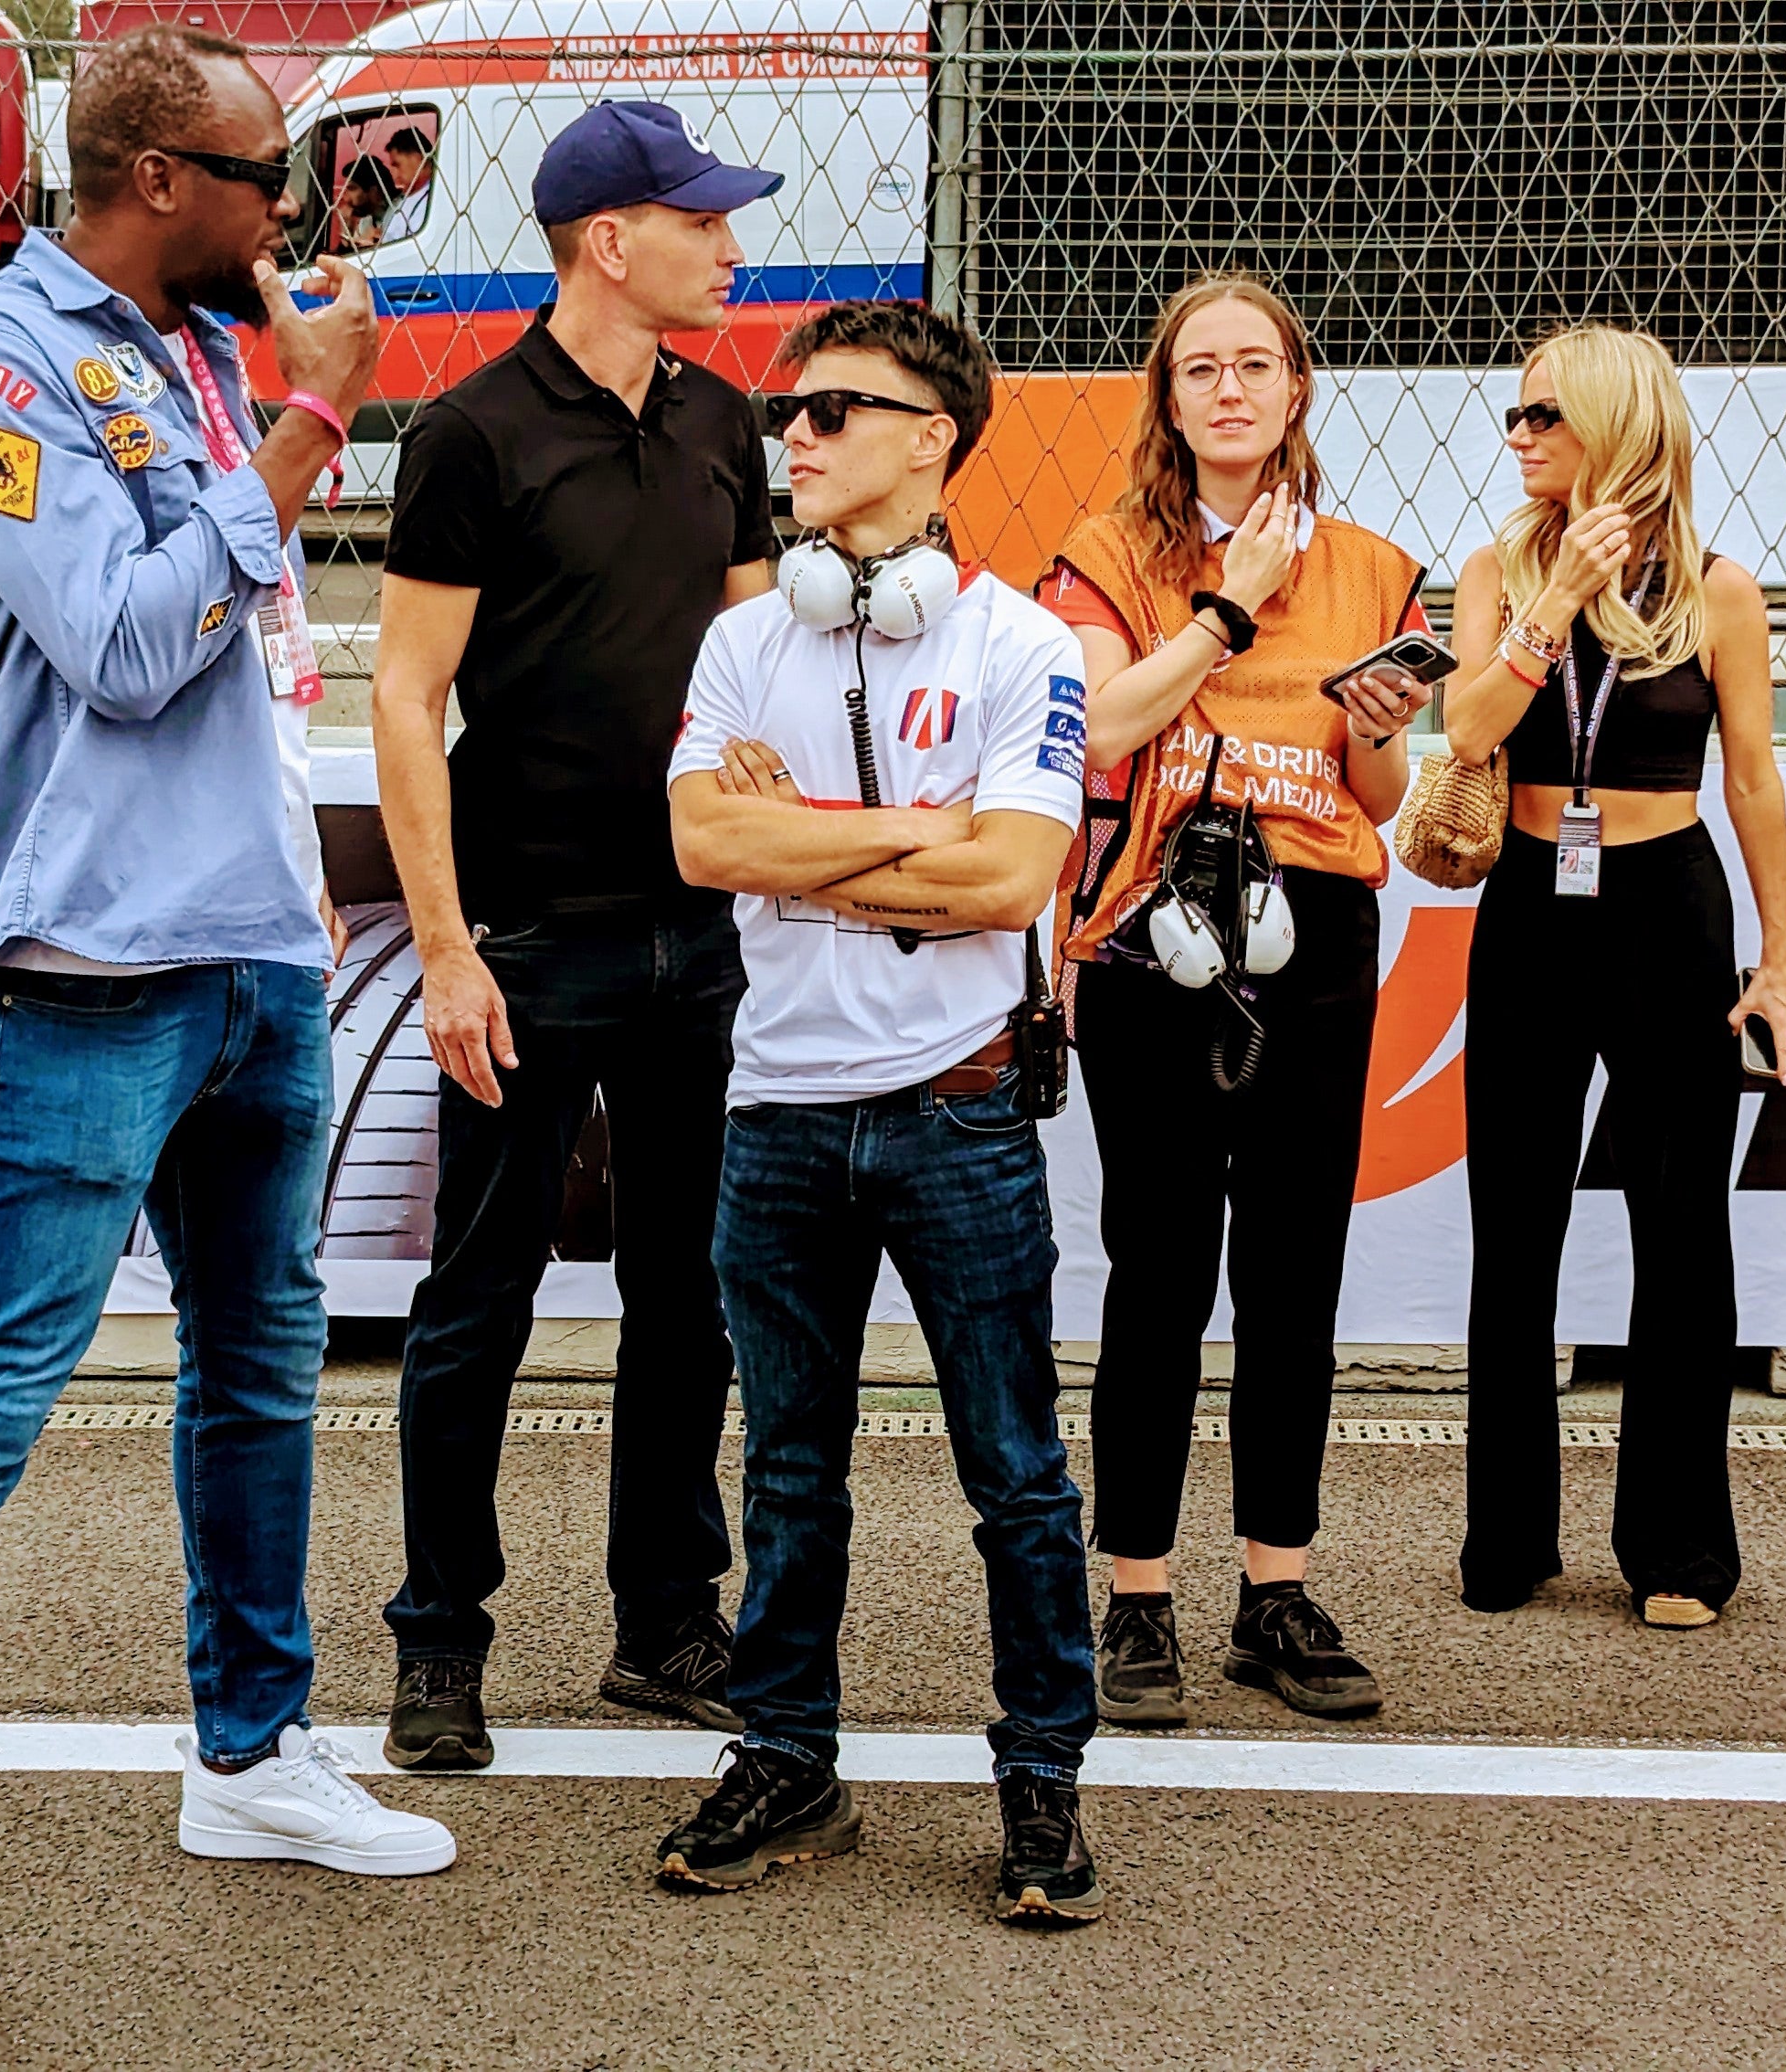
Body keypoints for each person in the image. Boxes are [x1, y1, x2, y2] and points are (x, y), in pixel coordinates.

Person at [0, 29, 435, 2072]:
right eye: (269, 174)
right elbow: (128, 643)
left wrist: (272, 412)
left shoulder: (181, 350)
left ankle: (247, 1748)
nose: (299, 212)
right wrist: (313, 432)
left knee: (258, 1371)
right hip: (81, 962)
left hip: (254, 948)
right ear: (159, 176)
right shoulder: (1, 362)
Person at [661, 300, 1105, 1929]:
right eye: (793, 409)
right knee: (788, 1467)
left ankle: (1042, 1772)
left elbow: (1008, 875)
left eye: (839, 408)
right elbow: (708, 849)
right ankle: (789, 1755)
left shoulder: (1020, 644)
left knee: (1015, 1473)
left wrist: (823, 831)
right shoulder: (740, 641)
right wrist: (912, 835)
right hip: (775, 1113)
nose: (799, 432)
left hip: (958, 1111)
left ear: (935, 438)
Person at [369, 98, 779, 1771]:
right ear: (611, 241)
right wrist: (447, 949)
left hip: (702, 941)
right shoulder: (472, 432)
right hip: (530, 939)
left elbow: (754, 673)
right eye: (702, 220)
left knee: (694, 1296)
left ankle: (669, 1618)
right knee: (480, 1294)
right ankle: (438, 1639)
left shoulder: (725, 422)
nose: (731, 244)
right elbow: (405, 697)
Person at [1039, 276, 1431, 1728]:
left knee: (1293, 1273)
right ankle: (1135, 1591)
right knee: (1156, 1272)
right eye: (1200, 368)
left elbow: (1375, 793)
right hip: (1157, 930)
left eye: (1255, 365)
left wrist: (1382, 733)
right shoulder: (1105, 555)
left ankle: (1277, 1585)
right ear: (1167, 396)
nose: (1228, 391)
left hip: (1314, 924)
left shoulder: (1374, 564)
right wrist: (1228, 609)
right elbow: (1098, 739)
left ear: (1297, 389)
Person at [1429, 323, 1786, 1628]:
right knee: (1515, 1223)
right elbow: (1468, 725)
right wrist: (1545, 608)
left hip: (1668, 906)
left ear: (1615, 426)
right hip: (1534, 904)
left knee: (1681, 1227)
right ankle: (1507, 1541)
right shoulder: (1498, 567)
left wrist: (1780, 956)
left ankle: (1678, 1550)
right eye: (1516, 414)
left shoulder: (1720, 589)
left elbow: (1754, 777)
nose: (1521, 435)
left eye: (1545, 414)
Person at [329, 124, 432, 250]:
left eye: (397, 165)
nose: (395, 175)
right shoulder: (407, 201)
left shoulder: (433, 200)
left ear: (417, 158)